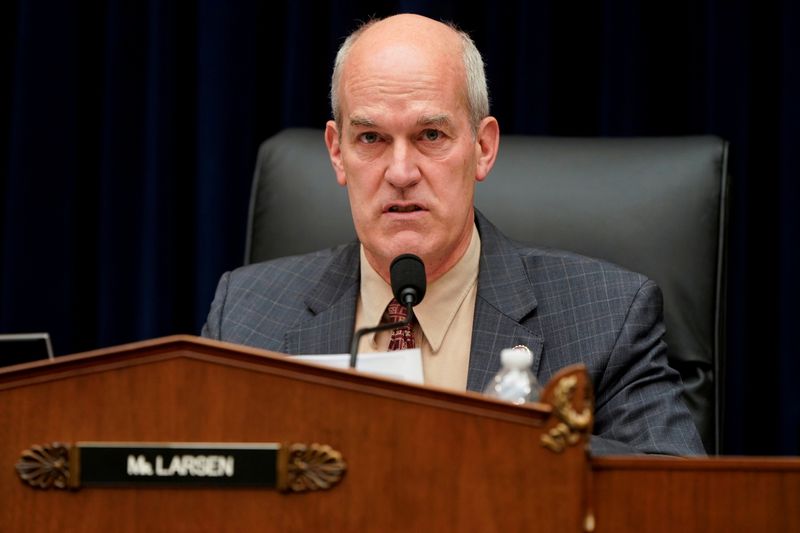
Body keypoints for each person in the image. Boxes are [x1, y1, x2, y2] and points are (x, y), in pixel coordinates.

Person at [202, 14, 705, 455]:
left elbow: (675, 496)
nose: (400, 171)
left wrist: (504, 446)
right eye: (372, 138)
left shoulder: (607, 316)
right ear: (337, 152)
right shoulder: (245, 318)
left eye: (430, 136)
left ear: (483, 148)